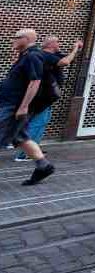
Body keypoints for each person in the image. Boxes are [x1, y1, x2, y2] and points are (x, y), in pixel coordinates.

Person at [0, 29, 55, 185]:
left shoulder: (33, 56)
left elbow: (35, 82)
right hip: (10, 104)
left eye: (16, 37)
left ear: (27, 38)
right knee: (20, 137)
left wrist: (24, 107)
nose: (13, 40)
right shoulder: (25, 56)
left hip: (14, 106)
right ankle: (44, 166)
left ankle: (44, 166)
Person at [15, 36, 82, 162]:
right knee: (37, 123)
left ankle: (34, 149)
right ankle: (25, 154)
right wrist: (74, 50)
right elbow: (65, 62)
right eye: (57, 42)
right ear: (51, 44)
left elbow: (67, 58)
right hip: (43, 97)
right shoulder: (45, 55)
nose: (59, 44)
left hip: (45, 97)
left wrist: (75, 49)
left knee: (39, 122)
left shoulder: (51, 55)